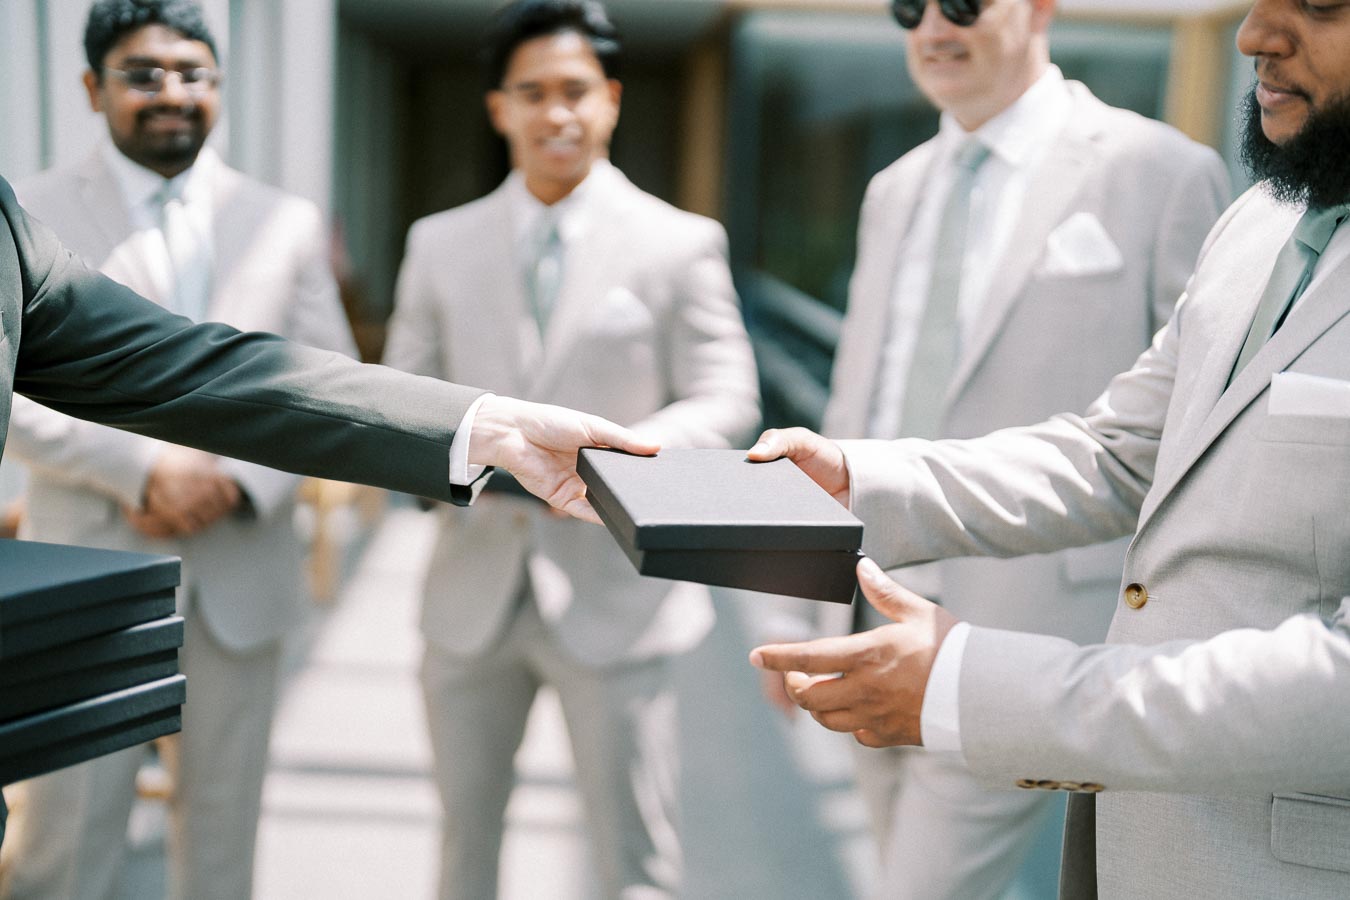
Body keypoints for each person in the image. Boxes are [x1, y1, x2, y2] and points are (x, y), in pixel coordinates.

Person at [749, 0, 1350, 896]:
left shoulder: (1159, 173)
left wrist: (979, 685)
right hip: (1127, 824)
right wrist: (855, 479)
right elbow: (1117, 453)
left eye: (1321, 4)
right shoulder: (1258, 222)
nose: (1253, 34)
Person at [382, 2, 760, 897]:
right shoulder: (437, 244)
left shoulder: (680, 242)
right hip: (469, 595)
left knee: (633, 856)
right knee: (461, 847)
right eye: (533, 93)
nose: (557, 113)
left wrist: (624, 459)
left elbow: (729, 395)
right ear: (498, 108)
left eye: (576, 91)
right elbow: (402, 393)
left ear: (613, 100)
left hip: (619, 596)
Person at [0, 2, 356, 897]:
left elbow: (333, 382)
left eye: (194, 74)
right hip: (89, 571)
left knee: (223, 840)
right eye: (144, 73)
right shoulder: (27, 212)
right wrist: (143, 467)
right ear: (93, 86)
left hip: (242, 575)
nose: (174, 93)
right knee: (63, 844)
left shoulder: (285, 219)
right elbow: (11, 384)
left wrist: (235, 482)